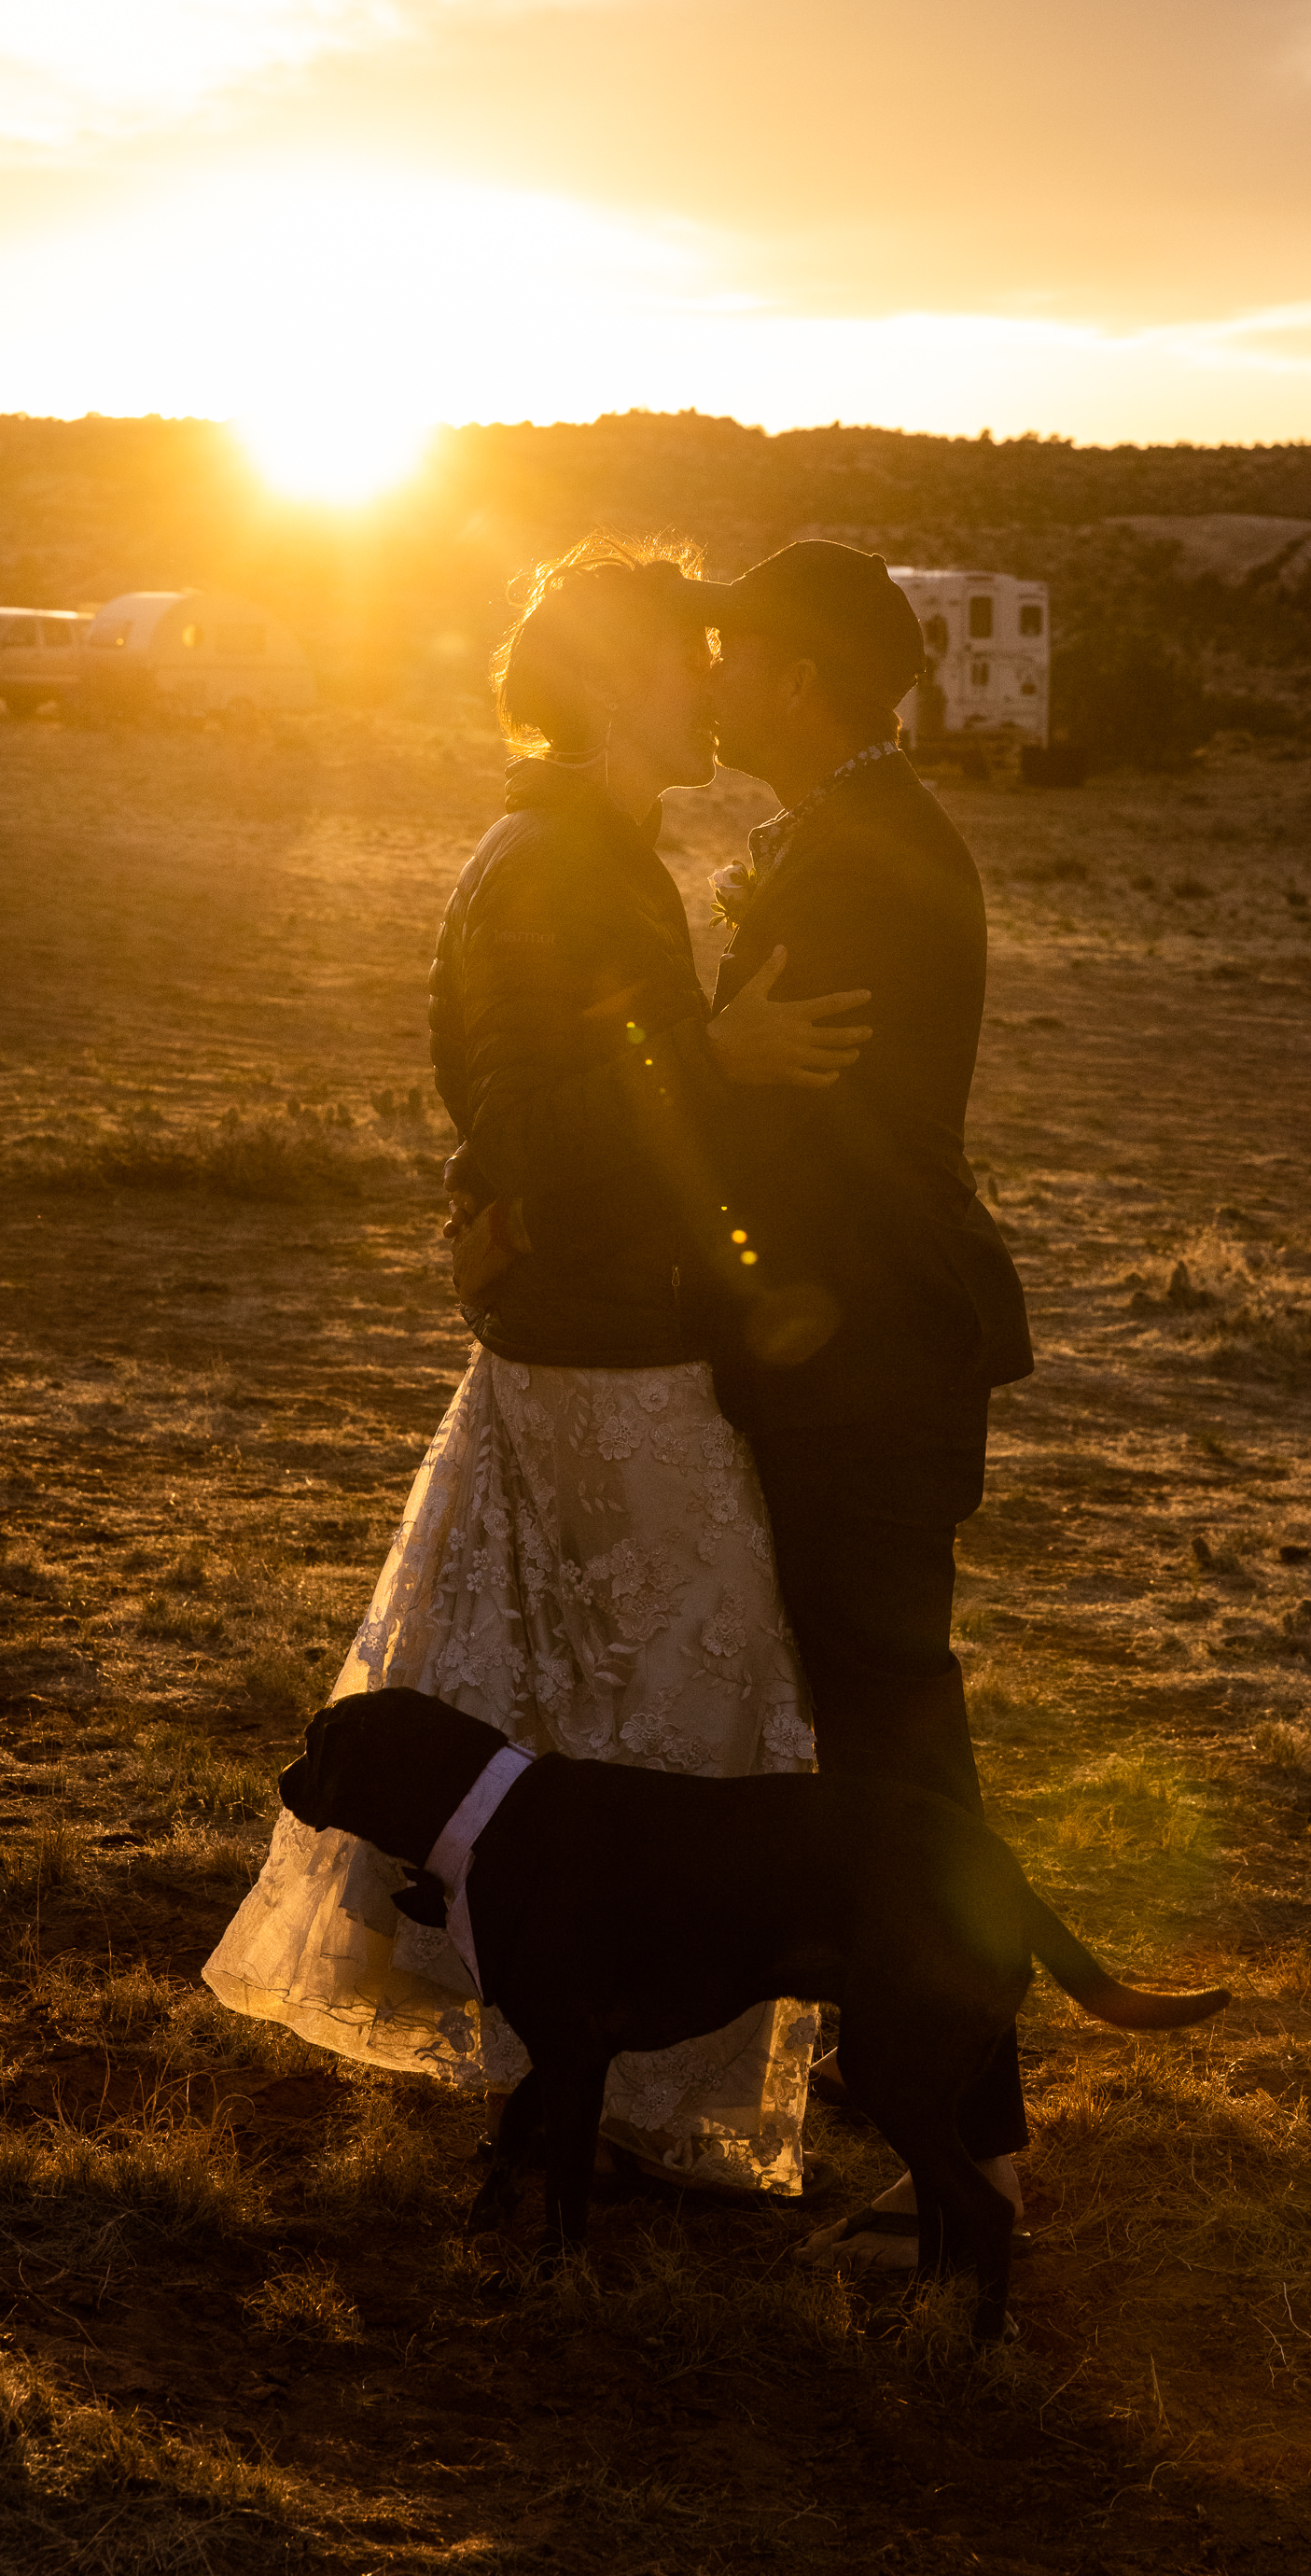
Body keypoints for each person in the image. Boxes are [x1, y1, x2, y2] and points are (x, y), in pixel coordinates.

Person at [203, 536, 871, 2196]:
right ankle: (638, 2077)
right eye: (682, 657)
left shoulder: (596, 851)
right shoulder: (560, 862)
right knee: (686, 1705)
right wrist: (714, 1056)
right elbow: (521, 1126)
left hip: (594, 1334)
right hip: (602, 1354)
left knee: (565, 1692)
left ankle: (556, 2042)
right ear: (605, 684)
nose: (713, 679)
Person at [690, 540, 1037, 2264]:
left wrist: (675, 1070)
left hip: (876, 1358)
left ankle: (974, 2142)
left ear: (804, 676)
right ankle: (913, 2088)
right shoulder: (856, 831)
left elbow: (771, 1123)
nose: (710, 667)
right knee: (880, 1732)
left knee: (902, 1753)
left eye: (733, 646)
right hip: (874, 1348)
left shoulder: (854, 862)